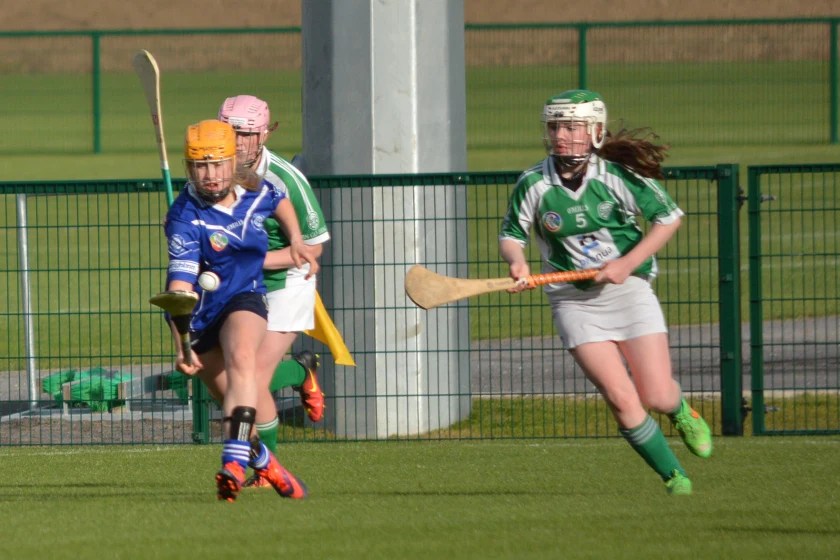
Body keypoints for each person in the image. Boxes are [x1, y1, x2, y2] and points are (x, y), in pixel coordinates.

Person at [499, 89, 713, 495]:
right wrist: (517, 262)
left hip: (629, 292)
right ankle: (673, 476)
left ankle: (681, 411)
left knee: (656, 394)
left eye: (572, 127)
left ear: (595, 131)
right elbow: (512, 234)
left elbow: (668, 218)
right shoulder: (533, 182)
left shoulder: (617, 176)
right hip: (572, 301)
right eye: (555, 127)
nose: (561, 136)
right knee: (619, 397)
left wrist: (627, 264)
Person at [163, 118, 318, 502]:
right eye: (200, 166)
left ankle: (232, 463)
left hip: (244, 296)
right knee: (235, 404)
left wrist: (296, 239)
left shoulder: (254, 187)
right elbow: (180, 289)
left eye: (217, 164)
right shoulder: (184, 216)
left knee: (244, 359)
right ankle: (264, 462)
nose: (210, 175)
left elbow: (279, 200)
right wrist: (181, 345)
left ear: (232, 162)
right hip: (198, 315)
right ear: (189, 167)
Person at [207, 94, 330, 488]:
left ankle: (265, 469)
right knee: (229, 381)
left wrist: (249, 259)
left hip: (286, 285)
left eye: (246, 134)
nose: (238, 141)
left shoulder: (285, 179)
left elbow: (313, 247)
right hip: (240, 285)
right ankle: (299, 369)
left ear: (264, 134)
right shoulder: (212, 169)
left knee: (253, 379)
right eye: (230, 132)